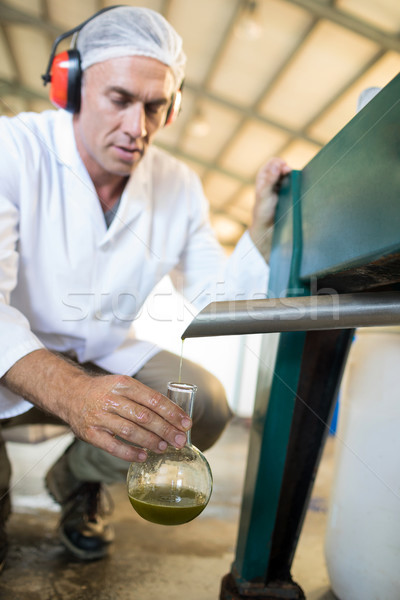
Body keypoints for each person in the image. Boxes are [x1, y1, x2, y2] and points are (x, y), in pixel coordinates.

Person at [0, 6, 290, 568]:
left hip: (101, 356)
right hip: (9, 362)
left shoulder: (178, 184)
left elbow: (215, 299)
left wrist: (258, 231)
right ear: (73, 85)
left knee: (200, 404)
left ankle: (77, 479)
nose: (139, 129)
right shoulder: (12, 150)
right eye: (120, 100)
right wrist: (77, 395)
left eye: (156, 107)